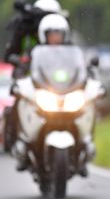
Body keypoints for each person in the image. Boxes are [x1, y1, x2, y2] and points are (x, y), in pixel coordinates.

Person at [3, 0, 64, 157]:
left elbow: (72, 58)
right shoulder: (23, 32)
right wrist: (20, 63)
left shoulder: (60, 35)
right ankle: (16, 138)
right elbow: (10, 54)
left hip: (53, 83)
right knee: (18, 98)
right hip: (28, 79)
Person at [13, 13, 70, 171]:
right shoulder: (34, 52)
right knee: (21, 105)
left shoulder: (70, 52)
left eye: (58, 34)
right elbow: (23, 68)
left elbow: (79, 71)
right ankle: (24, 141)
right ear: (44, 35)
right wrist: (19, 79)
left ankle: (84, 145)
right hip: (40, 93)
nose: (55, 38)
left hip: (65, 94)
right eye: (52, 34)